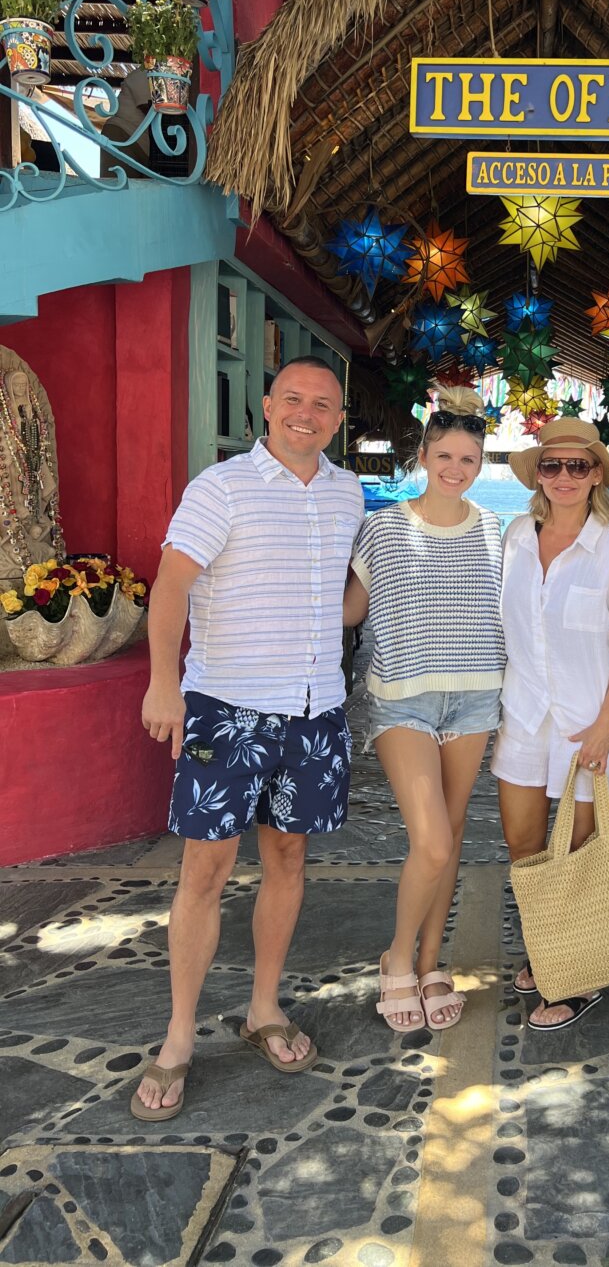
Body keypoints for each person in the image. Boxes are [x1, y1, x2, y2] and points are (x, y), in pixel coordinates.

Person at [133, 356, 362, 1121]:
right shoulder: (220, 487)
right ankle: (177, 1038)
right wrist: (164, 681)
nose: (307, 412)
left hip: (316, 709)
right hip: (228, 708)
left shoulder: (347, 490)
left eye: (322, 404)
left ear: (338, 416)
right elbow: (171, 584)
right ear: (267, 406)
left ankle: (265, 1006)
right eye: (293, 399)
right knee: (205, 868)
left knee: (289, 857)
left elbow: (343, 593)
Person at [344, 386, 504, 1032]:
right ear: (424, 453)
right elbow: (348, 611)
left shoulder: (495, 529)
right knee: (431, 841)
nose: (455, 469)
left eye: (468, 459)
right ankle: (396, 956)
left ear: (480, 463)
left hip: (476, 697)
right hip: (402, 698)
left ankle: (432, 959)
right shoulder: (381, 529)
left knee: (454, 831)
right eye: (445, 455)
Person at [492, 418, 609, 1031]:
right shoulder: (513, 538)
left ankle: (575, 976)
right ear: (538, 475)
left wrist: (605, 725)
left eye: (578, 466)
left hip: (590, 725)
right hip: (524, 718)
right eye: (552, 466)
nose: (564, 477)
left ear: (596, 477)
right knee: (524, 848)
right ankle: (548, 951)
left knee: (578, 857)